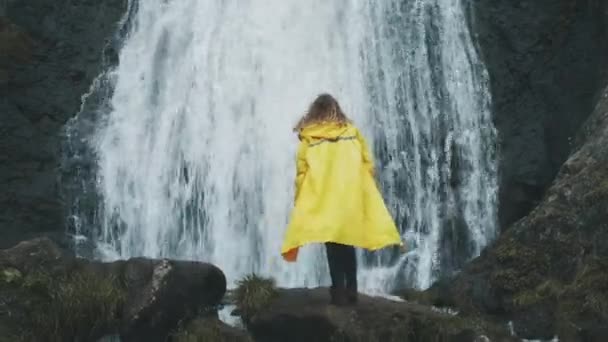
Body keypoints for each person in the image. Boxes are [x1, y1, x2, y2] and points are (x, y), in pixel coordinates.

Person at [281, 93, 403, 305]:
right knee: (348, 242)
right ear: (337, 111)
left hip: (325, 199)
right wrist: (364, 190)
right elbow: (368, 163)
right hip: (351, 197)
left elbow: (302, 173)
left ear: (314, 114)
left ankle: (337, 290)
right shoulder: (352, 133)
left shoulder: (309, 138)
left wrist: (301, 199)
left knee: (332, 244)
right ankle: (352, 288)